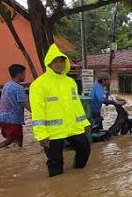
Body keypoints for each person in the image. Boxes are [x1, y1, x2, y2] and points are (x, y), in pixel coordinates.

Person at [30, 44, 91, 178]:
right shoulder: (38, 84)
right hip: (53, 132)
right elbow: (37, 110)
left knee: (85, 150)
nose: (59, 64)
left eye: (61, 61)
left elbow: (77, 104)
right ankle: (56, 190)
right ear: (49, 63)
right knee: (55, 163)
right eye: (55, 61)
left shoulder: (70, 82)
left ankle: (78, 177)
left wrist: (85, 122)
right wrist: (41, 134)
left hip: (74, 127)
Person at [0, 64, 31, 149]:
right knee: (17, 145)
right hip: (12, 120)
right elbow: (24, 103)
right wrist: (36, 112)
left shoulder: (7, 85)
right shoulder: (19, 88)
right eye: (24, 74)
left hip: (1, 118)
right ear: (19, 75)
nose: (25, 76)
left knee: (9, 140)